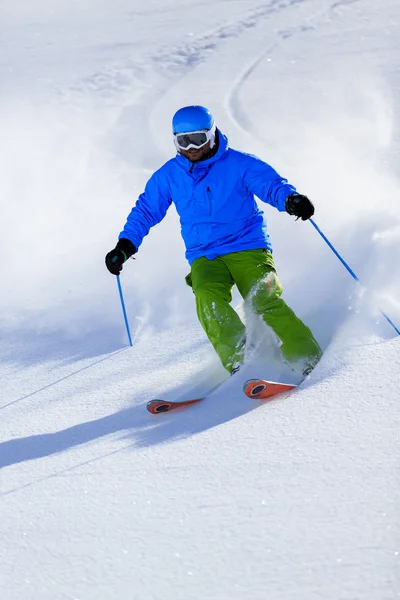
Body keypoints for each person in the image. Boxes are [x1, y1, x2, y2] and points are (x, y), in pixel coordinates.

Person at [105, 105, 322, 376]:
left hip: (247, 246)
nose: (192, 147)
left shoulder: (240, 164)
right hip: (204, 253)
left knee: (262, 298)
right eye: (183, 141)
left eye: (198, 138)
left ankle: (307, 357)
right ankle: (242, 360)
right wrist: (126, 244)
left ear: (212, 134)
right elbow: (146, 209)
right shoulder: (169, 175)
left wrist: (290, 200)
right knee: (207, 296)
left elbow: (271, 185)